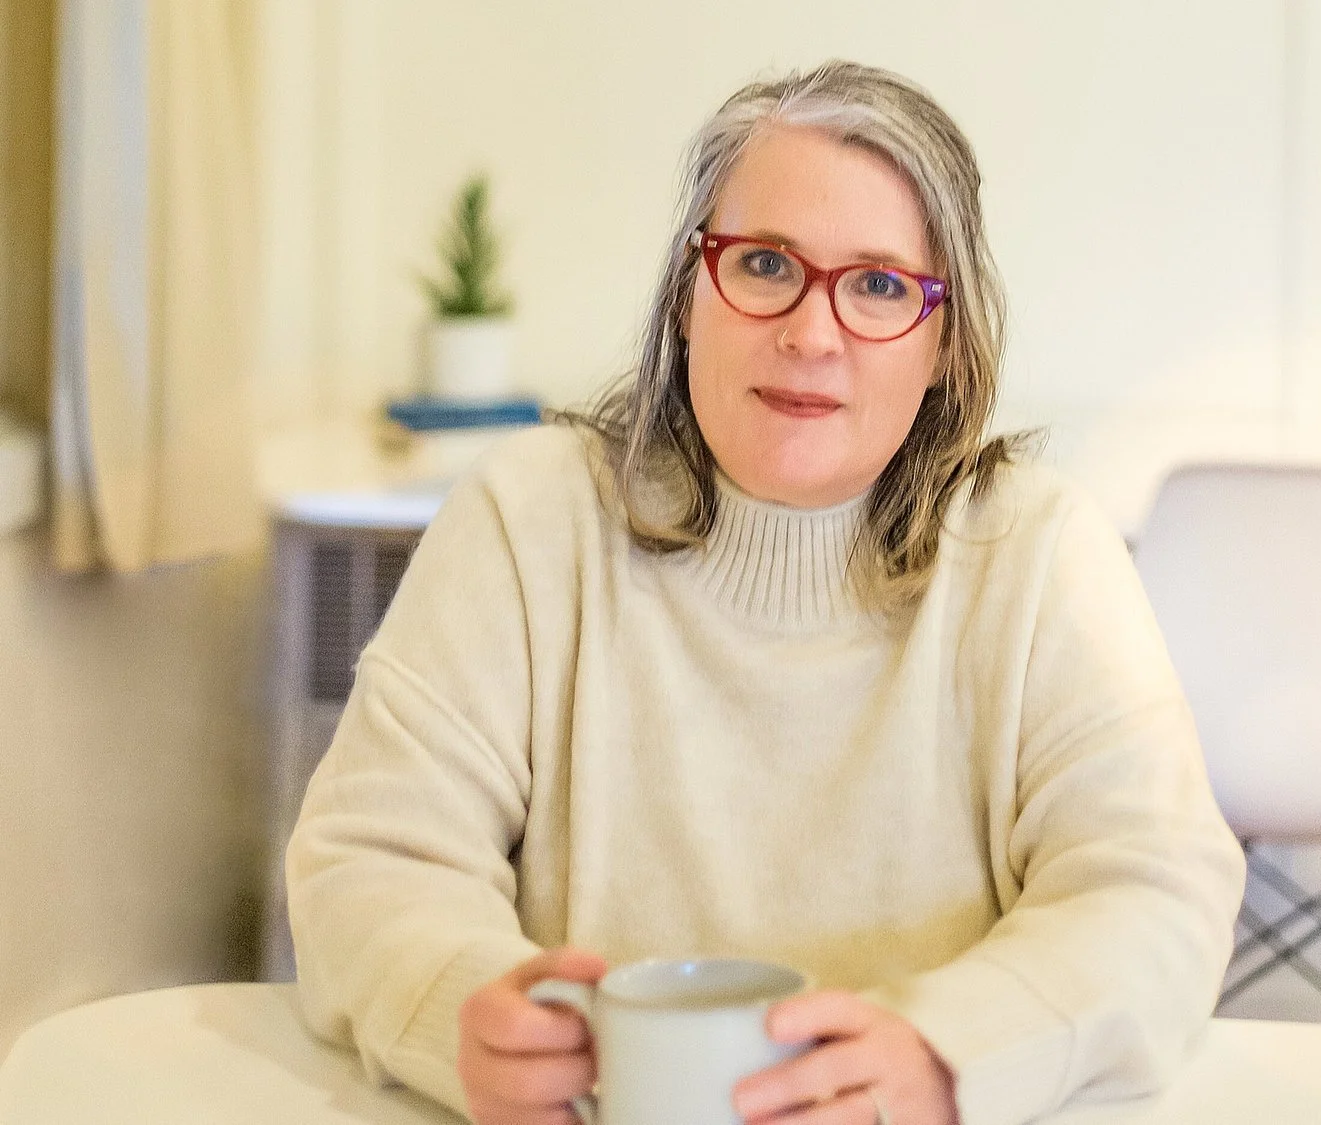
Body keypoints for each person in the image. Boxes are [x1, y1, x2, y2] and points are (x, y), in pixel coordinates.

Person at [286, 61, 1246, 1125]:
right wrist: (459, 1011)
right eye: (762, 264)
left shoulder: (1039, 553)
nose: (811, 332)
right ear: (689, 301)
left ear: (946, 345)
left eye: (880, 284)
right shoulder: (529, 520)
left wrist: (944, 1057)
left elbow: (1158, 895)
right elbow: (365, 862)